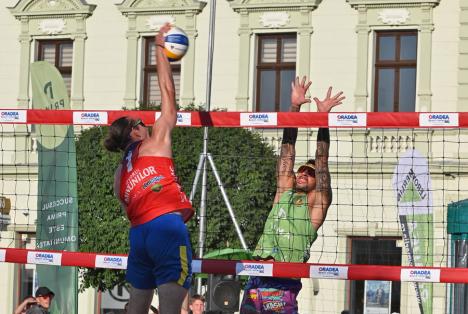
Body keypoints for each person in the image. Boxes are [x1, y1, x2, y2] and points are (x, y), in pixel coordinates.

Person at [104, 23, 193, 314]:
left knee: (138, 304)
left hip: (139, 233)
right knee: (171, 304)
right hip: (165, 227)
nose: (146, 123)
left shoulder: (120, 173)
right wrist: (159, 50)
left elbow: (123, 202)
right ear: (134, 131)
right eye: (141, 122)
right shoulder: (154, 143)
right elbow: (168, 93)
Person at [239, 77, 345, 314]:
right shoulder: (284, 190)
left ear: (318, 181)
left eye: (309, 173)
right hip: (258, 275)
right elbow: (287, 151)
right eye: (301, 170)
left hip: (282, 281)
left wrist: (322, 119)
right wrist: (294, 108)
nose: (303, 173)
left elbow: (322, 160)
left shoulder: (316, 204)